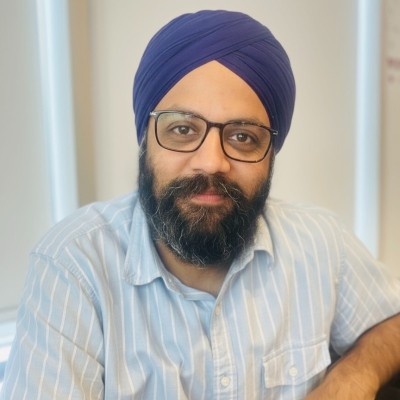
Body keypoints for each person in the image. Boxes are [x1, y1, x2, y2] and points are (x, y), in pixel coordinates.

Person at [1, 9, 399, 400]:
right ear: (145, 139)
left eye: (243, 137)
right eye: (182, 129)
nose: (211, 162)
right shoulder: (73, 266)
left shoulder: (320, 242)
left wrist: (355, 376)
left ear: (271, 154)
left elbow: (391, 322)